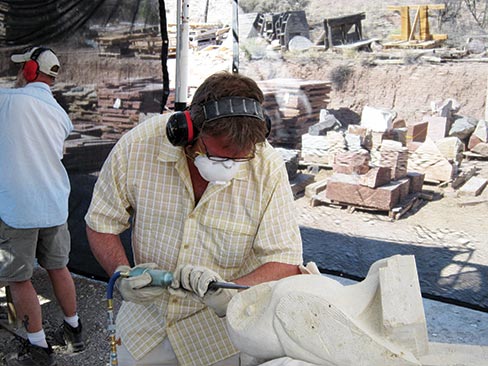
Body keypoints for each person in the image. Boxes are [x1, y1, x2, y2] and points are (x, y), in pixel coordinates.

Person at [85, 71, 305, 366]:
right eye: (218, 156)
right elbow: (101, 223)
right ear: (187, 131)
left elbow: (285, 261)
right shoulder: (138, 147)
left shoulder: (266, 166)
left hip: (218, 338)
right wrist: (121, 274)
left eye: (239, 159)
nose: (228, 167)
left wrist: (231, 292)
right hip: (145, 327)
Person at [0, 46, 85, 366]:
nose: (20, 72)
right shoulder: (60, 115)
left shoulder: (8, 99)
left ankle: (38, 349)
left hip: (19, 209)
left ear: (31, 71)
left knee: (18, 277)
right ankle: (73, 330)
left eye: (24, 67)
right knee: (57, 267)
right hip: (53, 204)